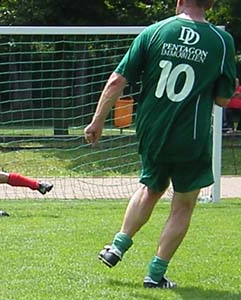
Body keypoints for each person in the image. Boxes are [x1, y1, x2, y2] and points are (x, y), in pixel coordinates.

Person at [84, 0, 236, 289]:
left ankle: (118, 244)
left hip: (153, 131)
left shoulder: (155, 32)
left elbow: (117, 80)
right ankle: (155, 274)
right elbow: (222, 99)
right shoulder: (221, 41)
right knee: (183, 204)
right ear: (211, 4)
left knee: (150, 187)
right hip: (191, 136)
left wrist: (97, 121)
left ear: (179, 1)